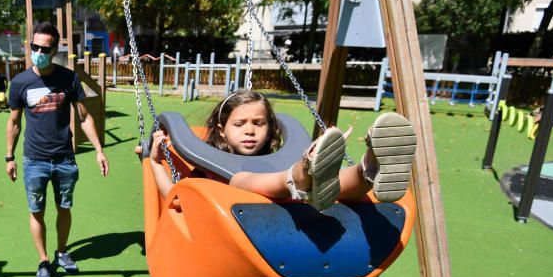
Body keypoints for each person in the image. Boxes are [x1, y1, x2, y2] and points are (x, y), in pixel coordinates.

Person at [148, 90, 417, 210]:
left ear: (271, 128)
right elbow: (176, 197)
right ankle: (301, 176)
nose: (250, 130)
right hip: (238, 230)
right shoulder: (208, 167)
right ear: (221, 130)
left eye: (259, 123)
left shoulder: (278, 156)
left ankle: (369, 169)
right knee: (242, 180)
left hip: (299, 206)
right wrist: (155, 163)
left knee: (340, 187)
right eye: (240, 124)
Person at [6, 22, 108, 277]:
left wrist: (99, 150)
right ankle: (43, 260)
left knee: (64, 207)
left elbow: (84, 117)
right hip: (34, 160)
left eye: (44, 48)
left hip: (64, 158)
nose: (38, 51)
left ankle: (62, 251)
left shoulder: (69, 78)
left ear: (54, 50)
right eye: (34, 46)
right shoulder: (20, 83)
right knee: (36, 211)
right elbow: (14, 122)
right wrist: (9, 156)